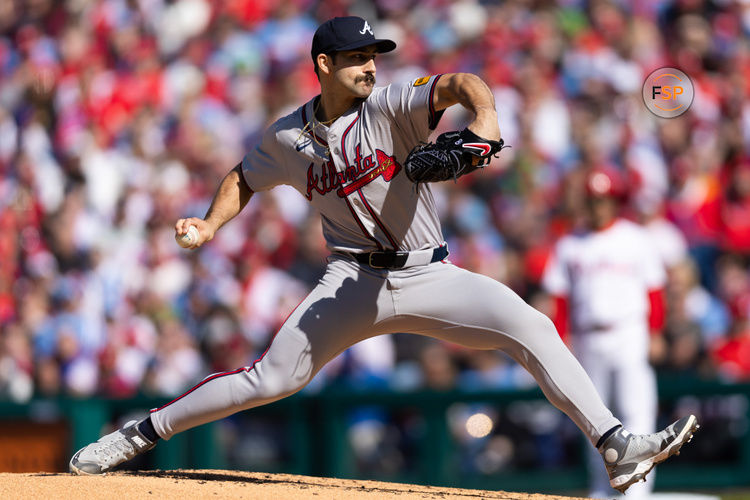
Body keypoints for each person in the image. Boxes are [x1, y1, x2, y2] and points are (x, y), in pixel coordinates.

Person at [69, 17, 698, 494]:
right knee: (269, 379)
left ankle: (614, 444)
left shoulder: (395, 104)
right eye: (355, 58)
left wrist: (482, 126)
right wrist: (209, 225)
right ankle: (135, 435)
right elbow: (241, 177)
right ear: (323, 63)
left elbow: (462, 83)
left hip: (430, 273)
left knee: (529, 326)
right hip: (351, 280)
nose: (370, 66)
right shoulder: (288, 137)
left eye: (373, 55)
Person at [542, 167, 668, 499]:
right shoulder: (570, 243)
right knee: (594, 419)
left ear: (616, 202)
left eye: (605, 200)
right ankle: (603, 489)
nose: (599, 207)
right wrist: (562, 338)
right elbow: (560, 297)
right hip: (587, 337)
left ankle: (639, 493)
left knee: (635, 411)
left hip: (629, 332)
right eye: (594, 200)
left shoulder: (635, 238)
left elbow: (654, 291)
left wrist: (655, 333)